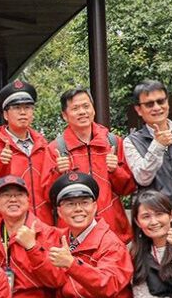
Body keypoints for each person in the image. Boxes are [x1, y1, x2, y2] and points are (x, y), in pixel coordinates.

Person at [49, 88, 136, 241]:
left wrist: (115, 170)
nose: (82, 112)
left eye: (86, 106)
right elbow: (48, 198)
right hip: (73, 235)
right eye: (75, 108)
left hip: (113, 233)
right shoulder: (55, 149)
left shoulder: (113, 142)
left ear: (93, 109)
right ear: (64, 115)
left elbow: (128, 188)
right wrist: (57, 172)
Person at [0, 81, 57, 224]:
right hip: (9, 226)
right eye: (16, 108)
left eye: (28, 107)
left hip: (43, 225)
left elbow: (50, 190)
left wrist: (59, 171)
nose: (23, 112)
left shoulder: (44, 145)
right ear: (5, 114)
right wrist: (0, 164)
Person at [124, 80, 172, 218]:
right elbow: (143, 178)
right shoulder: (132, 141)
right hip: (157, 220)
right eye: (149, 104)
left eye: (161, 101)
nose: (157, 107)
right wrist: (158, 145)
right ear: (138, 109)